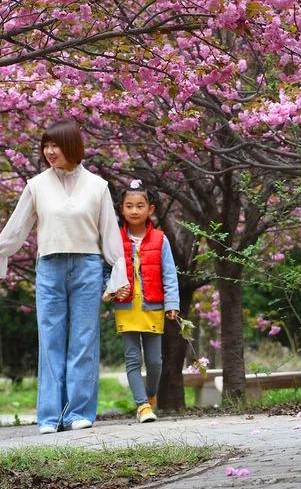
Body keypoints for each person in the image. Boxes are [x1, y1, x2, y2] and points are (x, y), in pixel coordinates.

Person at [0, 118, 128, 434]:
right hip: (49, 268)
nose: (49, 151)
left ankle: (79, 413)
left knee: (84, 340)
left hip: (87, 266)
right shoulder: (36, 185)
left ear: (72, 146)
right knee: (50, 340)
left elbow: (111, 235)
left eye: (55, 145)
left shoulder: (98, 187)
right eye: (46, 146)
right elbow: (15, 229)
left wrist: (119, 276)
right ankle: (49, 416)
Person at [107, 179, 179, 423]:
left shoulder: (161, 239)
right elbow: (106, 271)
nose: (134, 211)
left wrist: (172, 304)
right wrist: (111, 290)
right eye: (129, 206)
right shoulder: (114, 240)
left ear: (151, 209)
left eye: (140, 205)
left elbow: (169, 274)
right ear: (121, 209)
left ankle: (150, 395)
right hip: (126, 306)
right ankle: (141, 407)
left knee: (154, 361)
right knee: (132, 358)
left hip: (153, 306)